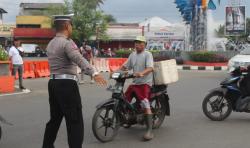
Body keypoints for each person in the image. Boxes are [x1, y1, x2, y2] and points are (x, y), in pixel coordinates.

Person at [42, 15, 106, 148]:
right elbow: (79, 58)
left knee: (55, 119)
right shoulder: (67, 42)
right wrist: (93, 73)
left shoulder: (51, 43)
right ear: (66, 26)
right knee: (75, 121)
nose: (72, 28)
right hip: (66, 85)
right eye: (71, 25)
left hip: (53, 84)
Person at [120, 36, 154, 141]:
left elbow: (150, 68)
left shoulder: (147, 54)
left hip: (145, 83)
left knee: (145, 104)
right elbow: (126, 66)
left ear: (144, 44)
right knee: (124, 100)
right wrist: (116, 71)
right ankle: (130, 119)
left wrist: (141, 73)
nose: (137, 44)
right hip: (135, 83)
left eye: (140, 42)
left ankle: (149, 131)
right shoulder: (133, 54)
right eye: (136, 42)